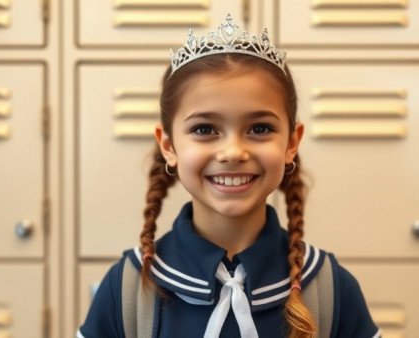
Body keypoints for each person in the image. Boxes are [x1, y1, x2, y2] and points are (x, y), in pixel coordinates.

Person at [78, 14, 380, 338]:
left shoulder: (330, 286)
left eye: (260, 128)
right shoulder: (126, 288)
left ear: (291, 143)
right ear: (168, 145)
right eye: (205, 129)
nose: (233, 151)